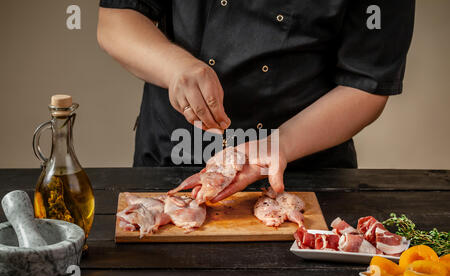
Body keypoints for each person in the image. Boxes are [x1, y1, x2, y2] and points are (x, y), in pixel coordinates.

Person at [97, 0, 415, 199]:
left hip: (305, 175)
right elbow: (116, 20)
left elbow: (367, 83)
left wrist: (280, 144)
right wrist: (176, 67)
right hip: (170, 160)